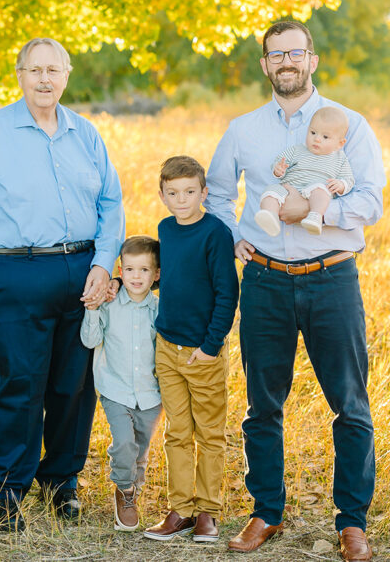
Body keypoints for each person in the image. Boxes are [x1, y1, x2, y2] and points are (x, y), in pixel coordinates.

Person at [206, 20, 386, 562]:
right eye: (275, 54)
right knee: (262, 406)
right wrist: (234, 235)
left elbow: (372, 201)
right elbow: (217, 192)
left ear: (311, 59)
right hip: (263, 280)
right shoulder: (243, 129)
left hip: (331, 276)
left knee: (350, 405)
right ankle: (267, 511)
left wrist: (309, 210)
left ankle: (351, 523)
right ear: (265, 64)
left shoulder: (349, 125)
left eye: (296, 52)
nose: (286, 61)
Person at [0, 37, 124, 533]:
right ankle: (5, 491)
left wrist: (104, 263)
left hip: (83, 273)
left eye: (54, 70)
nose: (45, 79)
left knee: (74, 386)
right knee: (20, 385)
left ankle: (60, 480)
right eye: (35, 70)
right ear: (20, 75)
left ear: (66, 76)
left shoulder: (85, 134)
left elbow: (111, 203)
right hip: (12, 274)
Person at [142, 156, 239, 545]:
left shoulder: (215, 233)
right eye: (173, 193)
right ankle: (181, 509)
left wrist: (211, 346)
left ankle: (208, 513)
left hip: (203, 352)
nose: (181, 200)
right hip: (167, 347)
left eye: (189, 192)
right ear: (162, 195)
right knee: (177, 432)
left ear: (204, 192)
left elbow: (226, 292)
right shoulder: (165, 229)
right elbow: (166, 280)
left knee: (210, 434)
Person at [80, 235, 163, 533]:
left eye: (144, 270)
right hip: (115, 388)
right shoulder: (109, 303)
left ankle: (133, 487)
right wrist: (92, 309)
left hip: (151, 393)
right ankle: (125, 490)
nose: (136, 277)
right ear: (120, 269)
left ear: (156, 274)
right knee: (125, 443)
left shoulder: (159, 308)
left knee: (140, 449)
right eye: (129, 270)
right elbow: (90, 340)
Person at [255, 105, 355, 237]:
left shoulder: (340, 158)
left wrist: (341, 185)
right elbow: (280, 161)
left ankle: (315, 216)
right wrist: (278, 169)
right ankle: (270, 217)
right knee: (271, 192)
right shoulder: (297, 150)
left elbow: (349, 179)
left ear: (340, 143)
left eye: (325, 137)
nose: (317, 139)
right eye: (313, 133)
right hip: (289, 187)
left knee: (321, 190)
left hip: (315, 189)